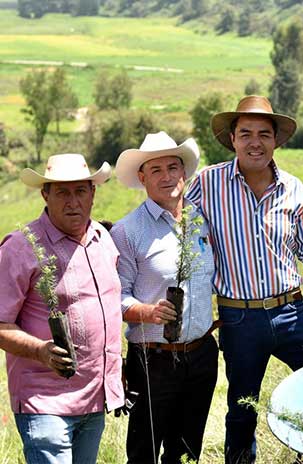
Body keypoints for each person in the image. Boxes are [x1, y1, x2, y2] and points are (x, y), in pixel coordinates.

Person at [186, 95, 303, 463]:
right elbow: (180, 228)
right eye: (245, 133)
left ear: (276, 140)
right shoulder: (207, 184)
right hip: (240, 318)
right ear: (232, 138)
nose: (254, 142)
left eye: (264, 134)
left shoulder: (292, 187)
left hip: (292, 312)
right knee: (242, 408)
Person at [0, 154, 124, 463]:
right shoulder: (20, 247)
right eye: (62, 192)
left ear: (93, 193)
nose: (73, 202)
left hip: (95, 398)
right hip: (45, 402)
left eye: (80, 191)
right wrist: (41, 350)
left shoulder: (102, 240)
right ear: (45, 194)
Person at [110, 132, 218, 463]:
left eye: (174, 166)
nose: (167, 176)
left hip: (202, 354)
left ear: (184, 173)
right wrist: (147, 312)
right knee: (144, 451)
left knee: (186, 452)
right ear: (142, 178)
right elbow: (115, 298)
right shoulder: (127, 231)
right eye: (155, 170)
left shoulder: (203, 221)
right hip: (152, 359)